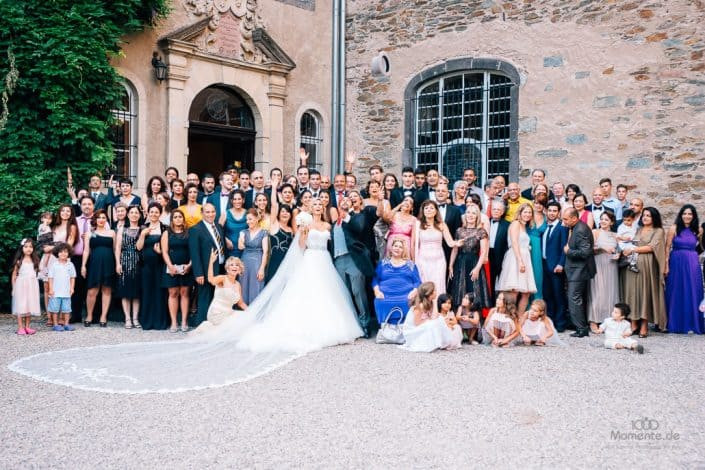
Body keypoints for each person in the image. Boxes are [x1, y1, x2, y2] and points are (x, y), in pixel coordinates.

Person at [330, 195, 376, 337]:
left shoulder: (357, 217)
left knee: (358, 292)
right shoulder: (334, 223)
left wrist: (347, 216)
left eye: (347, 200)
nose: (344, 201)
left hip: (353, 259)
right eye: (342, 200)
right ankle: (349, 325)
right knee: (344, 293)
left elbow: (359, 228)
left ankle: (365, 324)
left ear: (352, 204)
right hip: (338, 260)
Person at [622, 207, 667, 337]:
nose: (645, 217)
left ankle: (644, 324)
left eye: (648, 215)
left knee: (645, 293)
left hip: (647, 266)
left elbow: (651, 247)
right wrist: (626, 250)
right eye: (644, 215)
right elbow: (633, 244)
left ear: (654, 218)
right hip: (633, 266)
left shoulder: (658, 231)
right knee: (633, 293)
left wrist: (633, 250)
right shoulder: (639, 229)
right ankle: (634, 323)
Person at [665, 204, 704, 334]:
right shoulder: (674, 228)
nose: (687, 216)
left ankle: (692, 323)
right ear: (681, 215)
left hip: (692, 262)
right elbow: (667, 247)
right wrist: (666, 264)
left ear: (693, 216)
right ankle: (676, 323)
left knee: (693, 289)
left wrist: (693, 254)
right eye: (684, 214)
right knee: (676, 289)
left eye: (690, 214)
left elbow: (701, 247)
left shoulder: (698, 230)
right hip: (676, 260)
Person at [561, 207, 597, 338]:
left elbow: (586, 252)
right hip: (576, 270)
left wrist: (568, 251)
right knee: (575, 298)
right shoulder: (575, 227)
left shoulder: (581, 229)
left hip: (580, 270)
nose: (563, 221)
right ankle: (580, 326)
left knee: (574, 298)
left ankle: (581, 328)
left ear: (574, 218)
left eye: (565, 219)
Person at [496, 203, 536, 315]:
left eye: (529, 212)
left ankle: (518, 319)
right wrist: (520, 261)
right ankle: (508, 318)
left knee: (526, 292)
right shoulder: (515, 224)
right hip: (515, 257)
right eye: (525, 212)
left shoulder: (525, 226)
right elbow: (514, 243)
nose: (527, 214)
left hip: (525, 257)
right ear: (520, 213)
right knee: (513, 291)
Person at [415, 200, 461, 296]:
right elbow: (415, 244)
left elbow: (450, 242)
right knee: (425, 286)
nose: (429, 210)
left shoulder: (442, 224)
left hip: (439, 260)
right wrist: (415, 261)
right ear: (422, 211)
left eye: (431, 208)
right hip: (423, 260)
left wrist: (457, 243)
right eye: (426, 208)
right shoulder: (418, 224)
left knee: (438, 285)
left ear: (436, 211)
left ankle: (437, 308)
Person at [372, 237, 422, 325]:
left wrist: (414, 291)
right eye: (395, 246)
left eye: (400, 247)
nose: (397, 248)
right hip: (386, 295)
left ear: (403, 250)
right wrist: (377, 291)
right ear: (391, 248)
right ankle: (386, 328)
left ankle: (404, 328)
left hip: (406, 295)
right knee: (379, 301)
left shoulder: (410, 264)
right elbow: (375, 279)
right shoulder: (383, 263)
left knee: (410, 302)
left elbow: (417, 282)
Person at [449, 206, 490, 310]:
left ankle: (476, 321)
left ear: (477, 216)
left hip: (474, 263)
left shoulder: (481, 231)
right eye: (468, 213)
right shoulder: (459, 231)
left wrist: (477, 268)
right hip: (460, 263)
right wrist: (450, 266)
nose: (470, 215)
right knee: (459, 290)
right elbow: (455, 249)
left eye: (473, 213)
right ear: (465, 215)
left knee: (474, 291)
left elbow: (484, 252)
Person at [195, 251, 248, 331]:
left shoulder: (238, 285)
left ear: (239, 270)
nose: (234, 267)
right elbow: (211, 279)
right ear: (227, 268)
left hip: (229, 312)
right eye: (231, 265)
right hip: (217, 312)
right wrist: (211, 262)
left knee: (245, 318)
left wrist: (251, 311)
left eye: (237, 265)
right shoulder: (222, 279)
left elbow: (241, 303)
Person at [81, 210, 115, 327]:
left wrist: (117, 265)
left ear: (106, 220)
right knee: (92, 291)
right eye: (99, 218)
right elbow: (86, 251)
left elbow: (115, 250)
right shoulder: (90, 233)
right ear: (95, 220)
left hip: (109, 264)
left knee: (106, 290)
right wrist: (83, 266)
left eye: (103, 217)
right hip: (94, 264)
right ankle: (89, 315)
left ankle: (103, 316)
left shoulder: (111, 233)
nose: (101, 220)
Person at [161, 209, 193, 333]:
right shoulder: (167, 233)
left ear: (183, 219)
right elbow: (164, 251)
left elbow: (193, 250)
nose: (178, 219)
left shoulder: (189, 233)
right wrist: (170, 266)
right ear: (172, 220)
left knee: (185, 293)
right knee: (173, 293)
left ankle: (184, 321)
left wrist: (189, 265)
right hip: (171, 267)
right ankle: (174, 322)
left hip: (186, 266)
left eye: (180, 216)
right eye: (175, 217)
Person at [136, 203, 167, 330]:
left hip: (160, 265)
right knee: (147, 292)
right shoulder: (143, 227)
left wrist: (160, 253)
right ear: (147, 213)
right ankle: (147, 322)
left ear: (160, 213)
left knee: (160, 293)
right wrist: (143, 235)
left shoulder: (165, 228)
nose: (154, 214)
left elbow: (167, 249)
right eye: (151, 212)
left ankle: (160, 322)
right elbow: (138, 247)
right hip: (146, 266)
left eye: (156, 212)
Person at [400, 282, 455, 352]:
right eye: (434, 290)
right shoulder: (420, 306)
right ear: (429, 293)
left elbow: (431, 317)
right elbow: (417, 323)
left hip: (422, 324)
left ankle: (443, 342)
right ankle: (432, 343)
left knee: (440, 319)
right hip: (412, 329)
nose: (436, 292)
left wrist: (434, 318)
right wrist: (430, 320)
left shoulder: (430, 303)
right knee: (433, 323)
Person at [587, 212, 619, 333]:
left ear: (612, 222)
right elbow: (590, 249)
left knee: (610, 293)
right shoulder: (595, 232)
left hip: (611, 265)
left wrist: (619, 254)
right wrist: (602, 249)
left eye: (606, 219)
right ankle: (593, 320)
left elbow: (620, 248)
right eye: (601, 219)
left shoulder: (615, 235)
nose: (603, 221)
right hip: (598, 264)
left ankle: (609, 321)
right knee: (597, 292)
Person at [542, 201, 568, 331]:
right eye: (550, 210)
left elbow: (564, 247)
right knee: (547, 295)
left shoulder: (562, 227)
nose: (552, 213)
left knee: (558, 295)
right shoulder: (545, 226)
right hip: (544, 265)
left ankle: (560, 323)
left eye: (554, 211)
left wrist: (561, 264)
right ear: (546, 211)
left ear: (558, 213)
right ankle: (550, 321)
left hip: (556, 266)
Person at [115, 205, 142, 329]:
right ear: (128, 214)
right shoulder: (122, 229)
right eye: (132, 212)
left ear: (140, 215)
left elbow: (141, 247)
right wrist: (117, 263)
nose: (134, 214)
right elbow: (118, 248)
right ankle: (127, 318)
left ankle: (135, 318)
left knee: (136, 292)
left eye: (136, 213)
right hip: (125, 261)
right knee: (125, 291)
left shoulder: (143, 229)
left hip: (139, 262)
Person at [266, 178, 295, 283]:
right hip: (275, 262)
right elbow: (274, 205)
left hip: (288, 262)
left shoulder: (291, 229)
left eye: (287, 212)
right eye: (282, 212)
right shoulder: (274, 225)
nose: (285, 214)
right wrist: (274, 188)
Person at [238, 209, 269, 304]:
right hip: (245, 262)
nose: (248, 222)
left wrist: (262, 269)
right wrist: (241, 241)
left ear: (256, 219)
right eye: (247, 220)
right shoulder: (243, 232)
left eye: (250, 219)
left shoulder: (264, 233)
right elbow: (240, 246)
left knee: (256, 285)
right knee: (243, 286)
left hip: (257, 262)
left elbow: (266, 251)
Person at [11, 238, 41, 335]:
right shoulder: (19, 261)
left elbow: (38, 272)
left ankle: (27, 327)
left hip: (32, 286)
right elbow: (14, 275)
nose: (28, 249)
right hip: (21, 286)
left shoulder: (35, 260)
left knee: (29, 305)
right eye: (26, 246)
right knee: (21, 306)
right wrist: (13, 288)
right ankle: (20, 327)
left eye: (31, 247)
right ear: (22, 248)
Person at [47, 243, 77, 332]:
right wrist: (51, 289)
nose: (63, 254)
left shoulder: (70, 265)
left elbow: (72, 278)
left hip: (66, 292)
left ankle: (66, 324)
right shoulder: (54, 265)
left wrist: (72, 288)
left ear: (69, 253)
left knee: (67, 309)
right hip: (55, 292)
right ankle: (55, 324)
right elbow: (50, 278)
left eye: (65, 252)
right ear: (57, 253)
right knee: (55, 309)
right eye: (61, 252)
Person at [527, 193, 548, 299]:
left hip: (539, 250)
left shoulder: (546, 218)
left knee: (538, 276)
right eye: (536, 203)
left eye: (541, 204)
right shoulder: (528, 215)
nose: (538, 206)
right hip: (527, 247)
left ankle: (537, 303)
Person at [488, 198, 510, 296]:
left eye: (498, 210)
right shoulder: (485, 222)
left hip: (501, 256)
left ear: (502, 212)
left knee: (502, 282)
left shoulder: (507, 225)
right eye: (494, 209)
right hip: (487, 255)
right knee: (489, 281)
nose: (496, 211)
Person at [223, 190, 247, 257]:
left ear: (243, 200)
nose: (237, 201)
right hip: (230, 249)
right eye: (235, 199)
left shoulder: (248, 213)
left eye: (239, 199)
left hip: (245, 250)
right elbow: (218, 229)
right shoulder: (225, 213)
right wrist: (225, 240)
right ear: (231, 201)